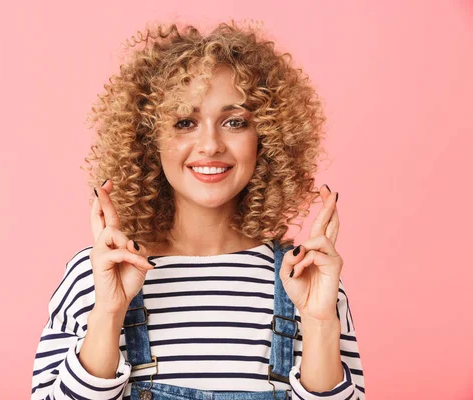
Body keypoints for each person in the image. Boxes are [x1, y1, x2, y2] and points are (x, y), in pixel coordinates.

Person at [31, 20, 365, 400]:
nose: (210, 145)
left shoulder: (306, 281)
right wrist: (108, 311)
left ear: (266, 139)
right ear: (148, 139)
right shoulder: (96, 274)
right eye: (184, 122)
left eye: (234, 122)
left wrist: (320, 322)